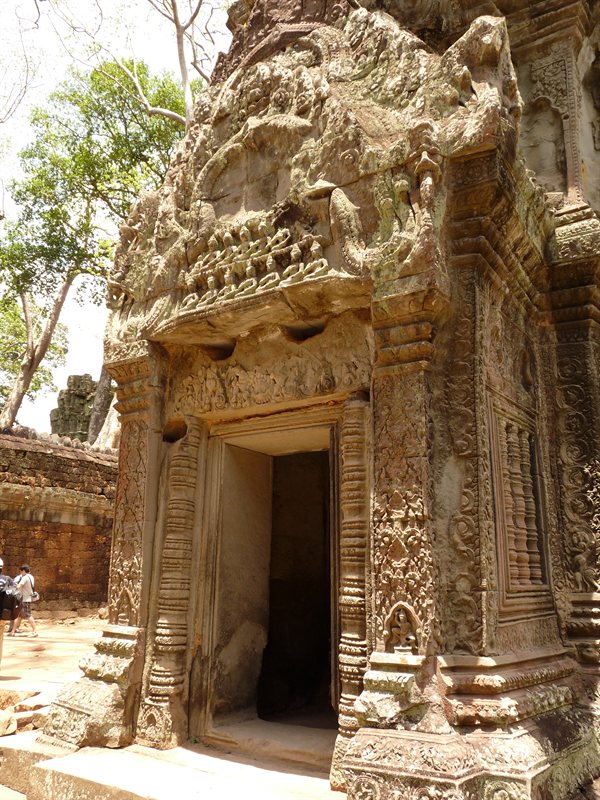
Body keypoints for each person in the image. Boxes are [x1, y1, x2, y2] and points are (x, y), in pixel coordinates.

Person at [11, 565, 37, 637]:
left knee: (28, 615)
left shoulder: (25, 577)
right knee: (18, 616)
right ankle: (13, 631)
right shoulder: (31, 577)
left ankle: (35, 631)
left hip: (25, 599)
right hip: (25, 599)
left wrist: (11, 585)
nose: (21, 573)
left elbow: (19, 586)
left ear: (23, 571)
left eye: (21, 571)